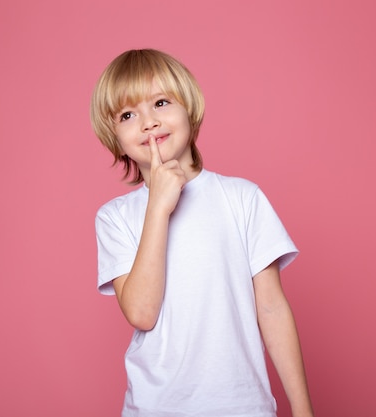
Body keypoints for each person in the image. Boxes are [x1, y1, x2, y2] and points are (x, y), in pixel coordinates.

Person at [90, 48, 314, 417]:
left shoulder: (242, 198)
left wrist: (303, 410)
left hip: (243, 406)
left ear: (189, 110)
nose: (148, 122)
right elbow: (142, 313)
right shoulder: (115, 218)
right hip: (156, 408)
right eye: (128, 114)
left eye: (161, 102)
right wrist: (158, 207)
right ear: (114, 136)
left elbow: (272, 307)